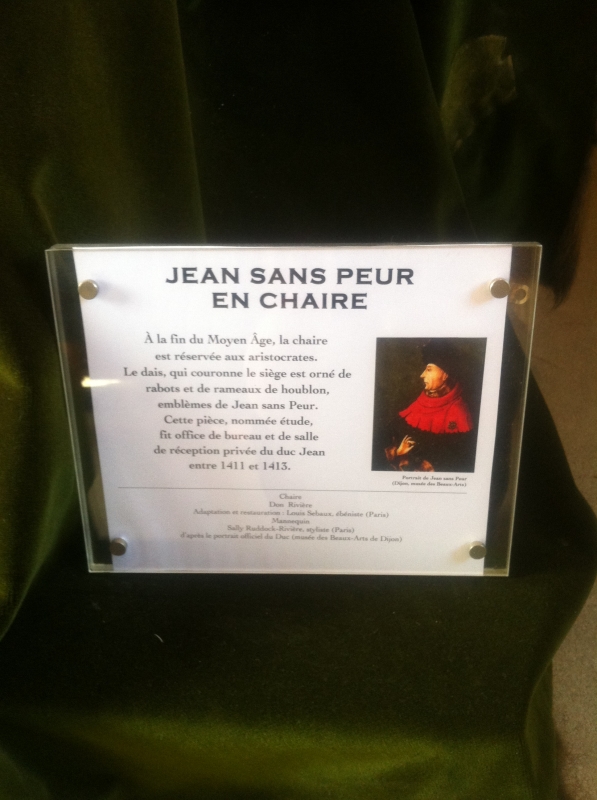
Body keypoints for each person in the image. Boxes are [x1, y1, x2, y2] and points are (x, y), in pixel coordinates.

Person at [383, 343, 477, 473]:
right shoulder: (418, 402)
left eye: (429, 369)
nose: (422, 375)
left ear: (445, 374)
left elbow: (456, 463)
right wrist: (397, 452)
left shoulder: (459, 411)